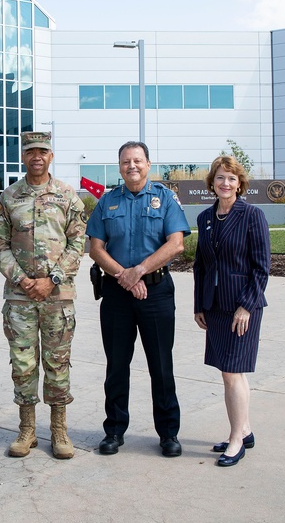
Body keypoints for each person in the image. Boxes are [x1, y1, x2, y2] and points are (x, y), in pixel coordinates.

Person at [87, 141, 190, 458]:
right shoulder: (107, 202)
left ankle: (169, 433)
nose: (132, 166)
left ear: (148, 163)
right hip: (117, 294)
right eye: (125, 161)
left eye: (137, 160)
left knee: (161, 365)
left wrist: (141, 271)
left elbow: (176, 245)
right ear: (119, 166)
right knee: (116, 366)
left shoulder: (165, 199)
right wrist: (126, 278)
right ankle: (114, 431)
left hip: (156, 292)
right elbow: (96, 249)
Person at [0, 131, 87, 460]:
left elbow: (78, 243)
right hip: (20, 298)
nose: (37, 157)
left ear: (50, 156)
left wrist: (52, 278)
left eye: (43, 151)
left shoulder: (67, 196)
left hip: (58, 297)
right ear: (23, 156)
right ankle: (27, 429)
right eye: (31, 151)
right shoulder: (9, 197)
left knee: (57, 364)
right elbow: (0, 246)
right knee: (23, 364)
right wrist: (22, 279)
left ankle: (59, 430)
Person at [193, 155, 270, 467]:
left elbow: (261, 269)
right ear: (212, 183)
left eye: (231, 178)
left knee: (232, 372)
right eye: (220, 178)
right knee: (228, 372)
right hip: (215, 307)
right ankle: (245, 430)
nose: (225, 183)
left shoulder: (252, 216)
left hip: (242, 308)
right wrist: (199, 305)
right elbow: (201, 265)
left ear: (240, 184)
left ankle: (236, 439)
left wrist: (246, 306)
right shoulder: (205, 218)